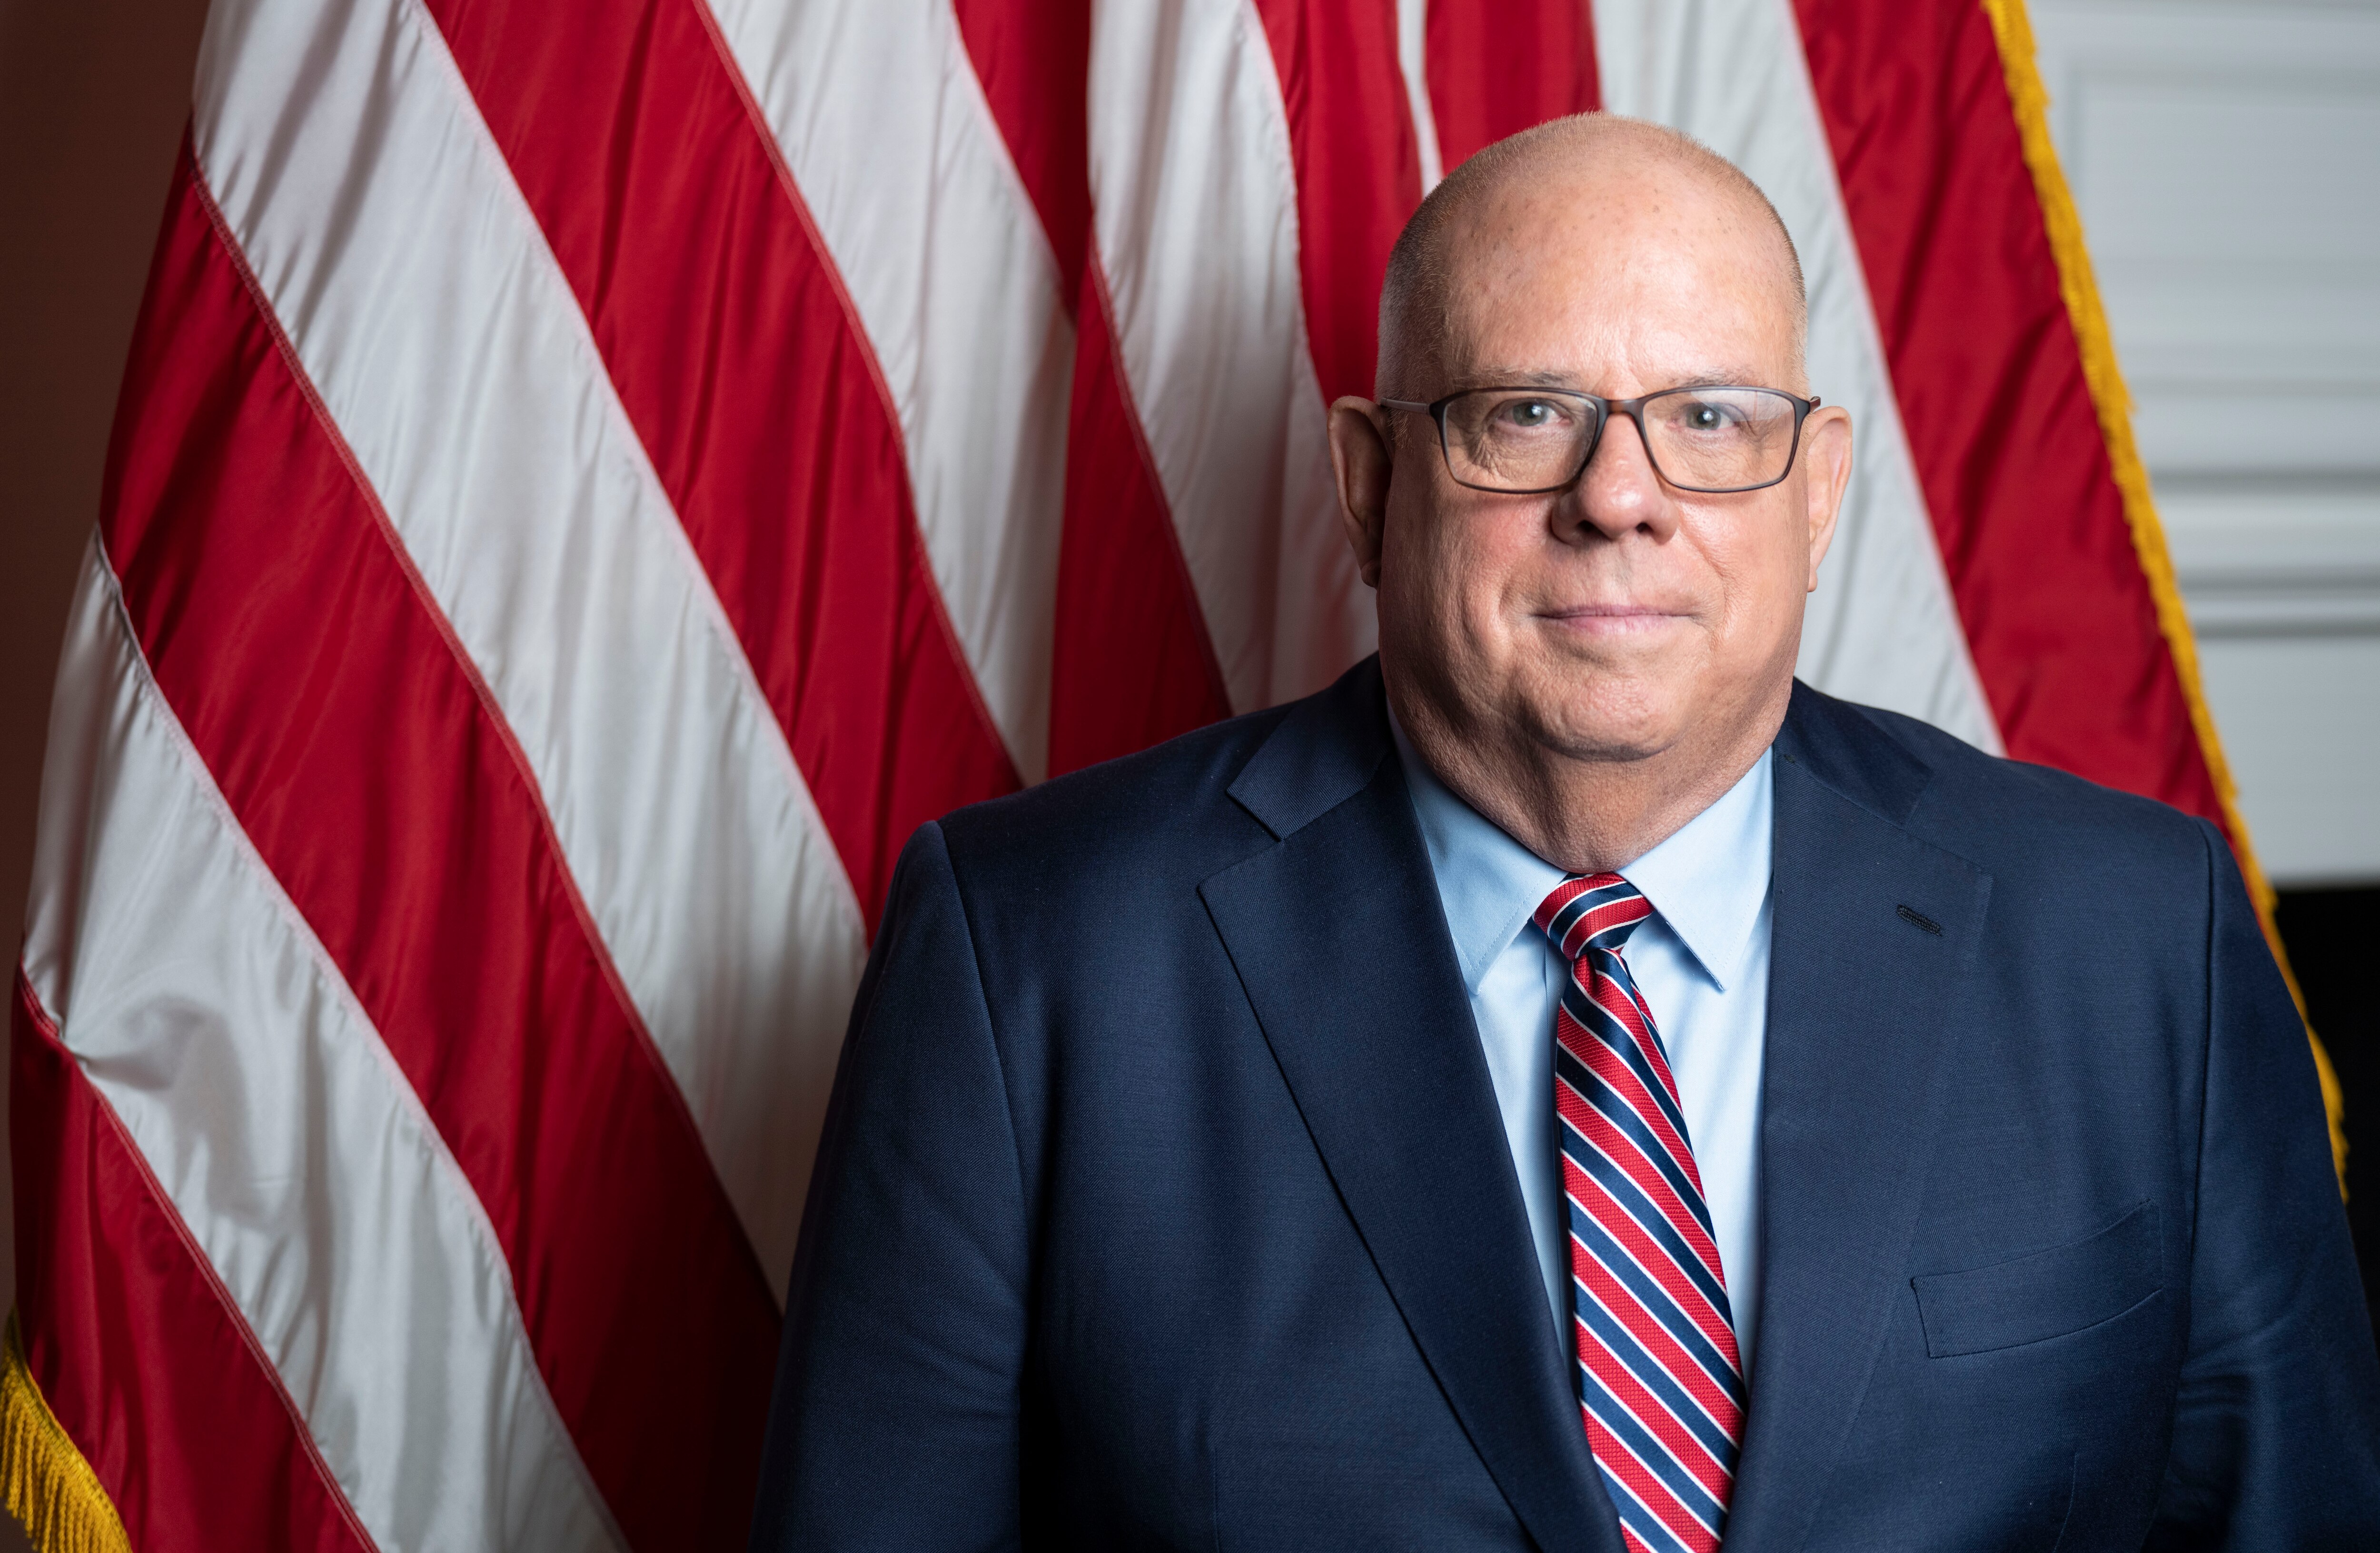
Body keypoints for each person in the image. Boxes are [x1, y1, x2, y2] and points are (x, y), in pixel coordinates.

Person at [747, 114, 2380, 1551]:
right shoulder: (1028, 962)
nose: (1621, 496)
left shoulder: (2139, 942)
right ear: (1372, 483)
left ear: (1820, 496)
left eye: (1715, 420)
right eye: (1528, 414)